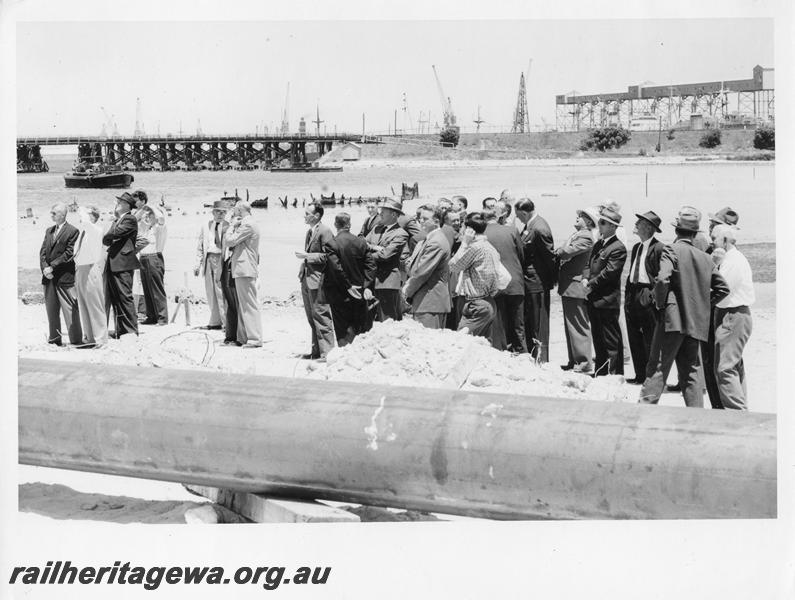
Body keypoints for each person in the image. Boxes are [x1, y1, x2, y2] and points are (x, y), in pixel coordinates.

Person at [639, 207, 730, 407]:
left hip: (672, 321)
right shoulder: (705, 257)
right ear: (694, 233)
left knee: (658, 367)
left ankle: (643, 411)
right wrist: (704, 305)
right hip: (695, 322)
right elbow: (723, 289)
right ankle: (695, 418)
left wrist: (660, 303)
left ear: (676, 231)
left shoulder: (671, 249)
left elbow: (663, 279)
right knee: (691, 372)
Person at [699, 206, 741, 406]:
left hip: (720, 313)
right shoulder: (715, 251)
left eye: (714, 225)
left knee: (722, 363)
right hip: (717, 312)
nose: (710, 229)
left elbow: (721, 288)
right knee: (715, 361)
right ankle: (718, 404)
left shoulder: (730, 257)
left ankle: (723, 405)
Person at [711, 224, 754, 410]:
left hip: (732, 315)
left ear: (725, 241)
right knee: (733, 366)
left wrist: (713, 265)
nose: (712, 243)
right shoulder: (732, 259)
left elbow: (720, 289)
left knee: (725, 367)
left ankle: (736, 412)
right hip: (734, 314)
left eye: (714, 239)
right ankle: (741, 409)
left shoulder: (733, 261)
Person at [583, 204, 627, 376]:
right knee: (598, 339)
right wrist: (585, 278)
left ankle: (614, 374)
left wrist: (591, 284)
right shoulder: (599, 244)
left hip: (607, 300)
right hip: (594, 298)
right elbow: (588, 264)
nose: (599, 226)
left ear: (612, 226)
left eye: (602, 223)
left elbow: (609, 273)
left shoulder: (618, 248)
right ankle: (601, 372)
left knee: (610, 341)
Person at [555, 207, 599, 373]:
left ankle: (584, 362)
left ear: (588, 221)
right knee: (571, 326)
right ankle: (575, 360)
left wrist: (557, 251)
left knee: (578, 325)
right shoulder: (578, 235)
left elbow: (566, 252)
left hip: (575, 285)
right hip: (569, 286)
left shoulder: (585, 236)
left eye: (581, 216)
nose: (577, 218)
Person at [624, 211, 664, 383]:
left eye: (639, 222)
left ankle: (651, 376)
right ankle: (640, 374)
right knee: (634, 335)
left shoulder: (659, 248)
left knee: (650, 336)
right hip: (633, 293)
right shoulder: (637, 247)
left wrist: (652, 297)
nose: (636, 225)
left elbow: (660, 276)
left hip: (647, 294)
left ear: (648, 228)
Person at [515, 198, 556, 362]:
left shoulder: (539, 228)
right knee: (531, 321)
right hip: (530, 281)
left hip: (537, 282)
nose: (518, 219)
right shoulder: (530, 225)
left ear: (525, 213)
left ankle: (541, 359)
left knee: (538, 323)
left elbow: (550, 258)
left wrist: (548, 281)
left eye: (519, 216)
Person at [449, 212, 501, 340]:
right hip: (487, 302)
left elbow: (453, 266)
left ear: (469, 230)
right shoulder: (489, 247)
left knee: (459, 341)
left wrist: (464, 243)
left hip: (476, 306)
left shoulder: (475, 247)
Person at [327, 212, 376, 345]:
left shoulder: (332, 243)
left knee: (342, 328)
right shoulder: (361, 242)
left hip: (340, 293)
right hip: (359, 291)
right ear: (349, 225)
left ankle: (344, 354)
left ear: (335, 225)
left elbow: (336, 269)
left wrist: (348, 286)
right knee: (358, 326)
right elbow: (371, 266)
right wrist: (366, 286)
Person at [296, 203, 337, 359]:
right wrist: (303, 265)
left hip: (318, 280)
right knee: (311, 316)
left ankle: (327, 352)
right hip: (308, 279)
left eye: (307, 213)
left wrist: (307, 257)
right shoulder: (310, 232)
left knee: (322, 315)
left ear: (317, 215)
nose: (305, 216)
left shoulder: (325, 231)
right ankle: (316, 351)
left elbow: (329, 256)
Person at [484, 205, 526, 352]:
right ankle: (521, 353)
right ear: (500, 217)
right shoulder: (512, 230)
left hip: (494, 284)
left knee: (499, 323)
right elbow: (521, 255)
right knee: (518, 324)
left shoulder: (482, 233)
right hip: (514, 281)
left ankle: (501, 351)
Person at [40, 202, 82, 346]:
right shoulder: (49, 231)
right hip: (49, 277)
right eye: (51, 213)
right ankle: (54, 339)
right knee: (51, 310)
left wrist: (52, 267)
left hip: (64, 277)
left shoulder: (73, 231)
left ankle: (76, 340)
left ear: (63, 214)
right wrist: (45, 269)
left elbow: (69, 254)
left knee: (70, 309)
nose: (51, 215)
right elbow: (43, 252)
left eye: (54, 213)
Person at [403, 205, 451, 329]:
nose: (421, 221)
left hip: (430, 302)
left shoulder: (435, 242)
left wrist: (405, 291)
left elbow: (420, 273)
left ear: (436, 222)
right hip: (426, 302)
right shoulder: (428, 239)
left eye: (425, 219)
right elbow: (413, 268)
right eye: (420, 218)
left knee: (429, 344)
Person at [365, 198, 410, 321]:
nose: (379, 215)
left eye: (383, 212)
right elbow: (363, 244)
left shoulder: (401, 233)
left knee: (388, 320)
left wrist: (371, 250)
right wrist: (376, 248)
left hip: (388, 283)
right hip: (372, 281)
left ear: (394, 214)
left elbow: (385, 255)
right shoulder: (376, 229)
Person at [225, 201, 262, 347]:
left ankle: (254, 338)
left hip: (245, 268)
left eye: (235, 210)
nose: (233, 212)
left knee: (248, 304)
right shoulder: (249, 223)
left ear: (240, 210)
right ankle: (245, 337)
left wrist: (231, 226)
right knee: (244, 304)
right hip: (243, 268)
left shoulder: (248, 225)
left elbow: (229, 241)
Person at [103, 192, 140, 337]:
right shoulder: (120, 220)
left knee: (124, 297)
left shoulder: (129, 219)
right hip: (115, 262)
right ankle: (121, 330)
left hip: (123, 263)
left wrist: (112, 225)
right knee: (116, 298)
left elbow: (111, 235)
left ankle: (130, 330)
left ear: (126, 205)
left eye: (119, 202)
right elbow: (107, 239)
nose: (116, 204)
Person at [73, 205, 107, 348]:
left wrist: (81, 208)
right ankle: (90, 338)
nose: (81, 217)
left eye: (86, 215)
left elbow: (86, 222)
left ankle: (101, 339)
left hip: (90, 269)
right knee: (84, 305)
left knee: (94, 305)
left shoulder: (95, 230)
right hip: (81, 269)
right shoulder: (84, 232)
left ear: (92, 216)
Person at [194, 199, 230, 330]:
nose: (221, 214)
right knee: (210, 291)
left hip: (221, 259)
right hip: (208, 258)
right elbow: (200, 245)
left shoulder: (228, 226)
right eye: (218, 212)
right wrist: (197, 264)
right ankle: (215, 321)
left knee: (221, 291)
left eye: (223, 212)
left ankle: (227, 323)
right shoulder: (206, 225)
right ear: (213, 212)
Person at [137, 205, 168, 325]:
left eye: (151, 215)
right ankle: (151, 316)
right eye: (147, 215)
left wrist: (152, 207)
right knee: (147, 288)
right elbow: (135, 220)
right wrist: (142, 210)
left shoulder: (160, 228)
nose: (148, 217)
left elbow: (161, 218)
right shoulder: (145, 228)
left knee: (157, 288)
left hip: (154, 258)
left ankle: (162, 317)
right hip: (143, 258)